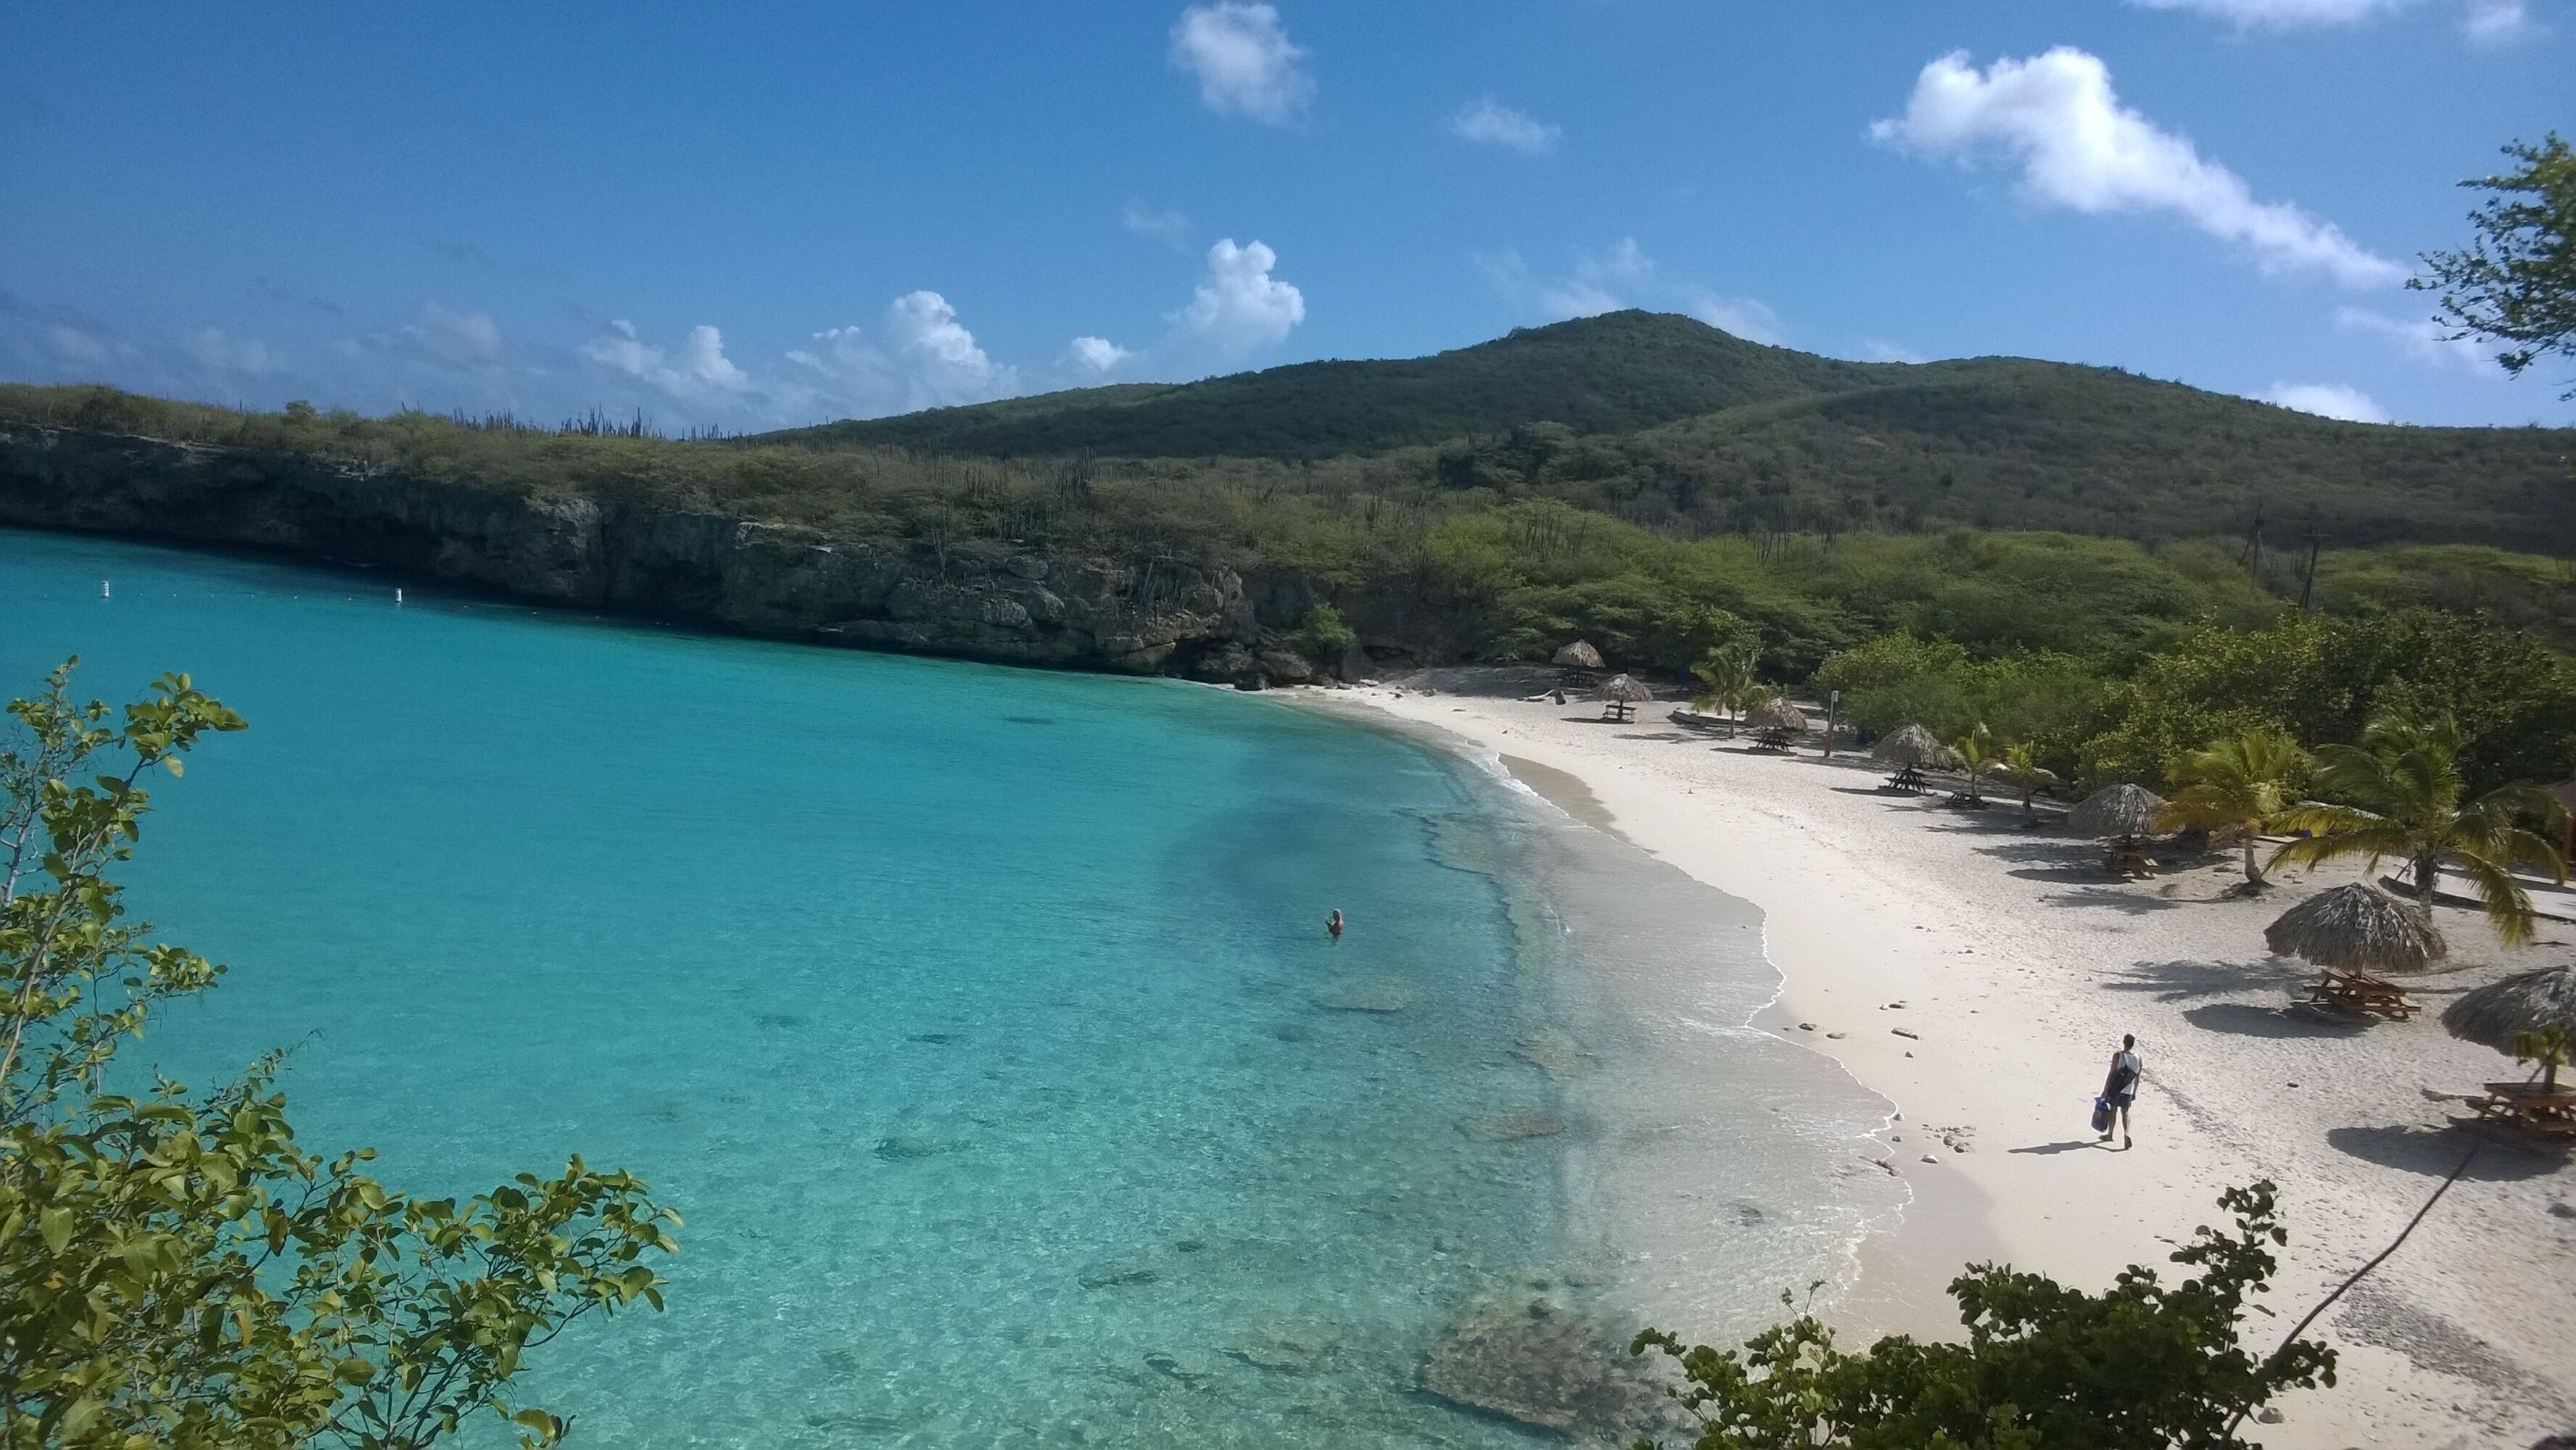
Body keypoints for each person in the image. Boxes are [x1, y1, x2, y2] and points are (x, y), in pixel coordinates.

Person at [2099, 1035, 2142, 1149]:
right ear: (2133, 1044)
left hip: (2116, 1088)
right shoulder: (2138, 1058)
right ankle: (2126, 1133)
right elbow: (2137, 1077)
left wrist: (2105, 1090)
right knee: (2125, 1112)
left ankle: (2110, 1135)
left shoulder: (2118, 1055)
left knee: (2113, 1111)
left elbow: (2112, 1073)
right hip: (2128, 1089)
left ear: (2124, 1042)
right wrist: (2134, 1092)